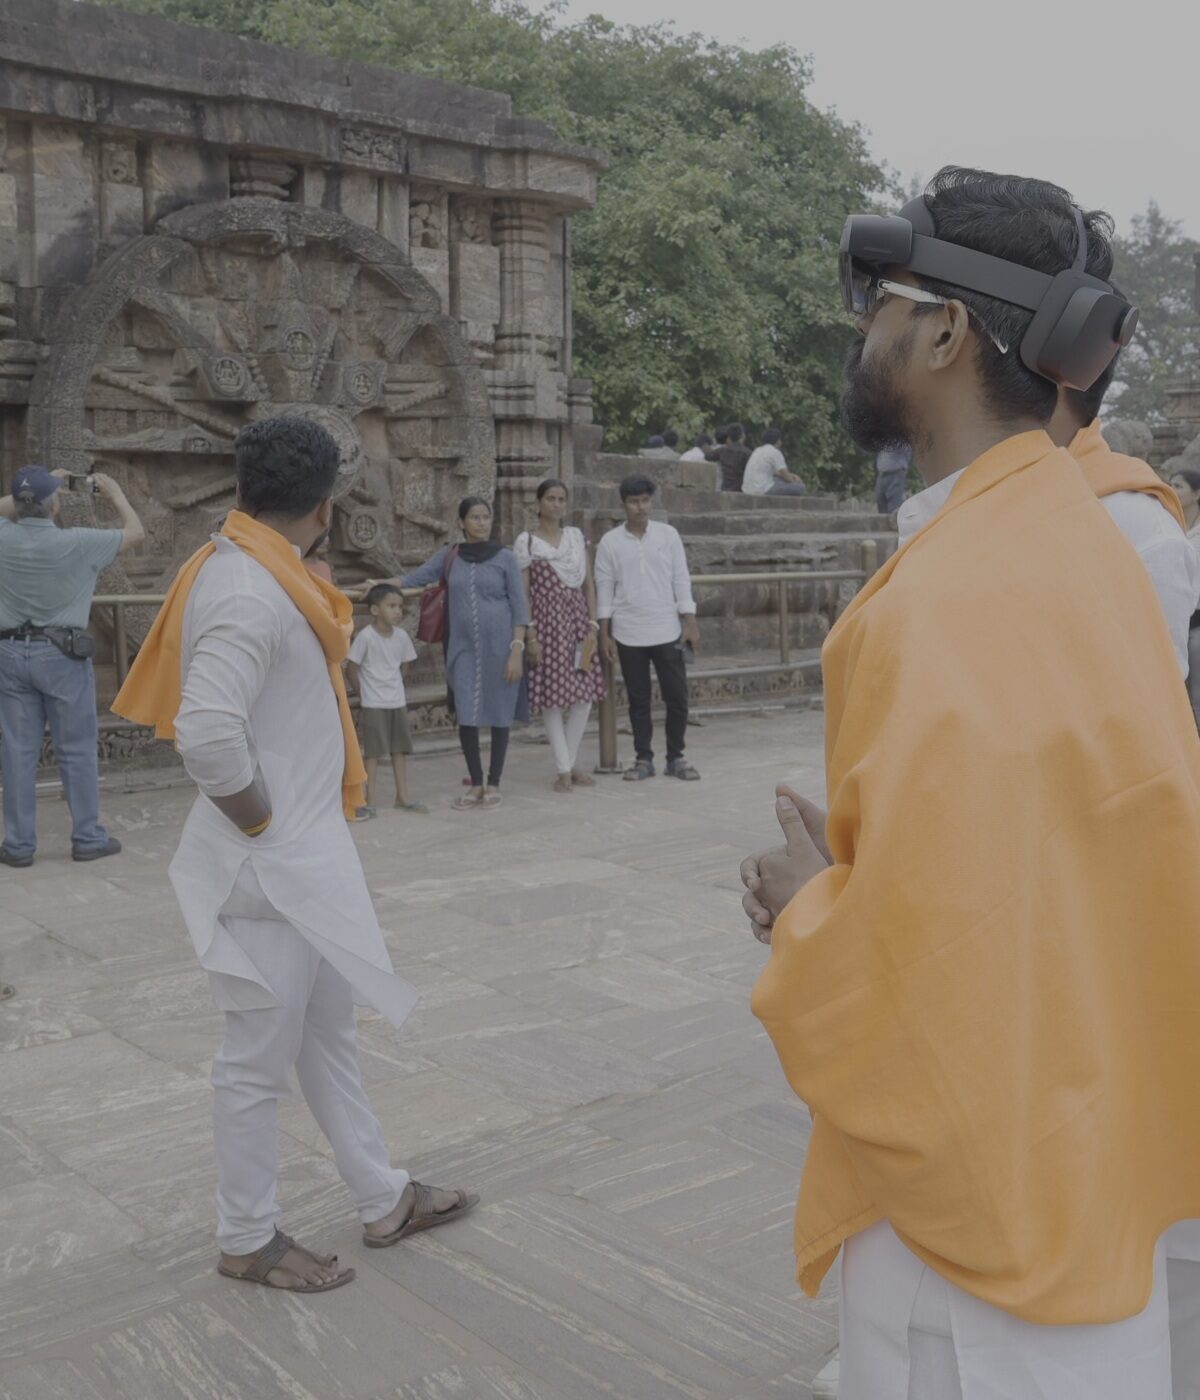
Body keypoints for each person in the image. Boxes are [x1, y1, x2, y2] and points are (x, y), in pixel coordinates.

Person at [740, 168, 1200, 1399]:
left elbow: (937, 972)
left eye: (880, 302)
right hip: (1091, 1141)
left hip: (980, 1249)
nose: (863, 331)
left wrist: (807, 907)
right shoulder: (1086, 541)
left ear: (945, 330)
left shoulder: (953, 595)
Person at [113, 416, 476, 1294]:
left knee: (326, 1039)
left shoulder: (265, 574)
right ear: (324, 508)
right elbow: (207, 734)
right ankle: (246, 1235)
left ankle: (383, 1196)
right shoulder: (248, 590)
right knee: (255, 1059)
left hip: (302, 859)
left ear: (244, 488)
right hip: (271, 868)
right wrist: (263, 825)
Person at [0, 465, 144, 867]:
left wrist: (31, 489)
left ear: (18, 506)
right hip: (62, 655)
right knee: (76, 748)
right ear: (55, 506)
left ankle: (18, 845)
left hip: (10, 653)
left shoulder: (4, 536)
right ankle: (87, 837)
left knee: (17, 752)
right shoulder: (80, 542)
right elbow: (136, 532)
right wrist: (115, 495)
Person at [400, 498, 528, 809]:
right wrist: (376, 584)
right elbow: (413, 579)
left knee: (499, 713)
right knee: (466, 714)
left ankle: (494, 782)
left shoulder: (505, 558)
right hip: (462, 650)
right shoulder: (450, 555)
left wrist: (517, 651)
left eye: (486, 517)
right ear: (461, 522)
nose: (482, 523)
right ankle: (476, 783)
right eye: (475, 517)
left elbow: (520, 608)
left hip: (502, 649)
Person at [595, 473, 700, 781]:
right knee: (638, 700)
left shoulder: (668, 535)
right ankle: (643, 758)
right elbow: (605, 587)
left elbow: (680, 578)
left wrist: (690, 620)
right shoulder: (610, 542)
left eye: (644, 501)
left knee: (677, 696)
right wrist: (604, 632)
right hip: (628, 631)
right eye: (633, 502)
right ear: (623, 504)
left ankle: (676, 757)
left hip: (667, 628)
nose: (640, 507)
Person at [515, 480, 607, 792]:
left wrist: (592, 623)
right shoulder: (528, 542)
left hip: (579, 624)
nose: (556, 504)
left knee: (584, 696)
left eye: (561, 499)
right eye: (550, 499)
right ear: (538, 503)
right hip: (547, 626)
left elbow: (588, 584)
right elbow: (524, 592)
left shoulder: (575, 538)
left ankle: (569, 762)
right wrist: (530, 634)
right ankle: (564, 768)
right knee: (553, 700)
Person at [346, 584, 427, 818]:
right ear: (375, 610)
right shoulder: (366, 637)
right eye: (391, 606)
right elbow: (352, 668)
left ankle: (402, 796)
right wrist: (364, 693)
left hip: (396, 701)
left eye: (400, 607)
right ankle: (369, 799)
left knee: (399, 750)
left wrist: (396, 684)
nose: (397, 611)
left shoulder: (401, 637)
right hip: (373, 703)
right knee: (372, 753)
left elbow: (406, 664)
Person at [1171, 466, 1200, 727]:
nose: (1171, 490)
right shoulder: (1168, 527)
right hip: (1171, 619)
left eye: (1178, 486)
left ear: (1197, 494)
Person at [742, 429, 807, 497]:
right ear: (778, 441)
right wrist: (795, 480)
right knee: (800, 487)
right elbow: (787, 478)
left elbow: (776, 473)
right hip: (762, 490)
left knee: (778, 479)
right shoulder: (775, 452)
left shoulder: (757, 450)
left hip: (747, 489)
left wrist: (792, 475)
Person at [873, 443, 910, 513]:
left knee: (894, 506)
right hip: (882, 473)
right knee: (880, 501)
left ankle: (895, 519)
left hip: (896, 472)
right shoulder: (880, 439)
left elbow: (906, 451)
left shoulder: (900, 439)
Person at [714, 422, 751, 492]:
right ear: (743, 436)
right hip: (739, 491)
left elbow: (708, 456)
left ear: (728, 437)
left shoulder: (721, 450)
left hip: (724, 490)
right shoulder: (747, 453)